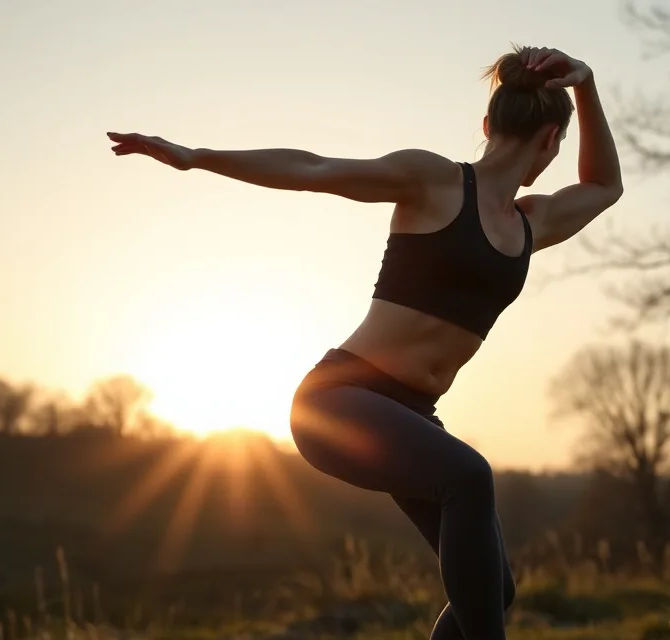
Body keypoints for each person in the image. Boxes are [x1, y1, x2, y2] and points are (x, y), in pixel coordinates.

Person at [107, 44, 621, 640]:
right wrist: (197, 158)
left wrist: (584, 86)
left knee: (493, 589)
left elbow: (605, 186)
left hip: (411, 416)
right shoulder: (433, 180)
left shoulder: (531, 223)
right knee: (470, 478)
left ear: (488, 125)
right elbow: (313, 169)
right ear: (553, 140)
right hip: (338, 400)